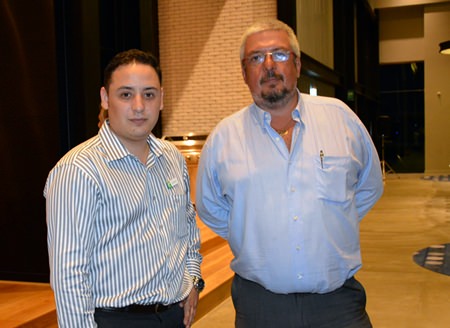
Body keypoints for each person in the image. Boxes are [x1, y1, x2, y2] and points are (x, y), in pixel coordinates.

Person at [195, 19, 383, 328]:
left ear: (297, 63)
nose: (268, 65)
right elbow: (210, 207)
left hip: (338, 305)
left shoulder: (340, 119)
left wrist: (331, 224)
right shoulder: (224, 138)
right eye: (256, 58)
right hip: (260, 307)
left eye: (279, 54)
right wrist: (253, 236)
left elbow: (369, 187)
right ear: (244, 73)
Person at [44, 49, 204, 328]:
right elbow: (69, 274)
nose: (139, 106)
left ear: (162, 99)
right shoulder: (78, 170)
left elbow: (187, 228)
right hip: (114, 320)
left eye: (149, 94)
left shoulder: (171, 157)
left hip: (173, 316)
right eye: (126, 94)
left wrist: (193, 280)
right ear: (106, 98)